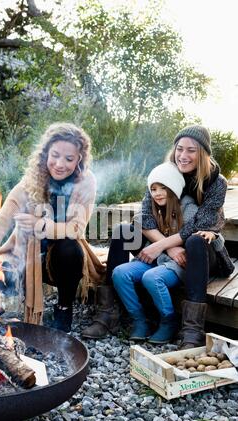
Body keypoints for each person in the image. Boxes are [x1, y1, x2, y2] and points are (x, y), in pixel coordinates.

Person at [82, 125, 234, 348]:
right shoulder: (164, 174)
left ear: (203, 152)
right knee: (123, 231)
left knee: (195, 241)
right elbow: (144, 217)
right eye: (179, 149)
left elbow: (201, 226)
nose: (183, 155)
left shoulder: (215, 182)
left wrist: (159, 246)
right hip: (168, 244)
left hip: (203, 250)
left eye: (191, 150)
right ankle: (108, 312)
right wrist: (167, 247)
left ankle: (192, 328)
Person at [0, 122, 106, 333]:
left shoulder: (86, 181)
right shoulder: (31, 181)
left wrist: (40, 224)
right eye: (55, 155)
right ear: (45, 154)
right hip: (29, 255)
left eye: (69, 159)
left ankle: (63, 308)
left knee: (69, 247)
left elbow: (76, 229)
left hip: (64, 260)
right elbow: (2, 218)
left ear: (79, 159)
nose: (60, 164)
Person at [112, 162, 225, 344]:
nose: (157, 193)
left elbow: (191, 233)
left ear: (174, 187)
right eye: (153, 189)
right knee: (120, 273)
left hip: (180, 262)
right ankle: (140, 319)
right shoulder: (155, 208)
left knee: (151, 277)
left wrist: (169, 248)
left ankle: (168, 321)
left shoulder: (189, 208)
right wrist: (166, 247)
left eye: (163, 188)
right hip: (158, 257)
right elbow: (139, 219)